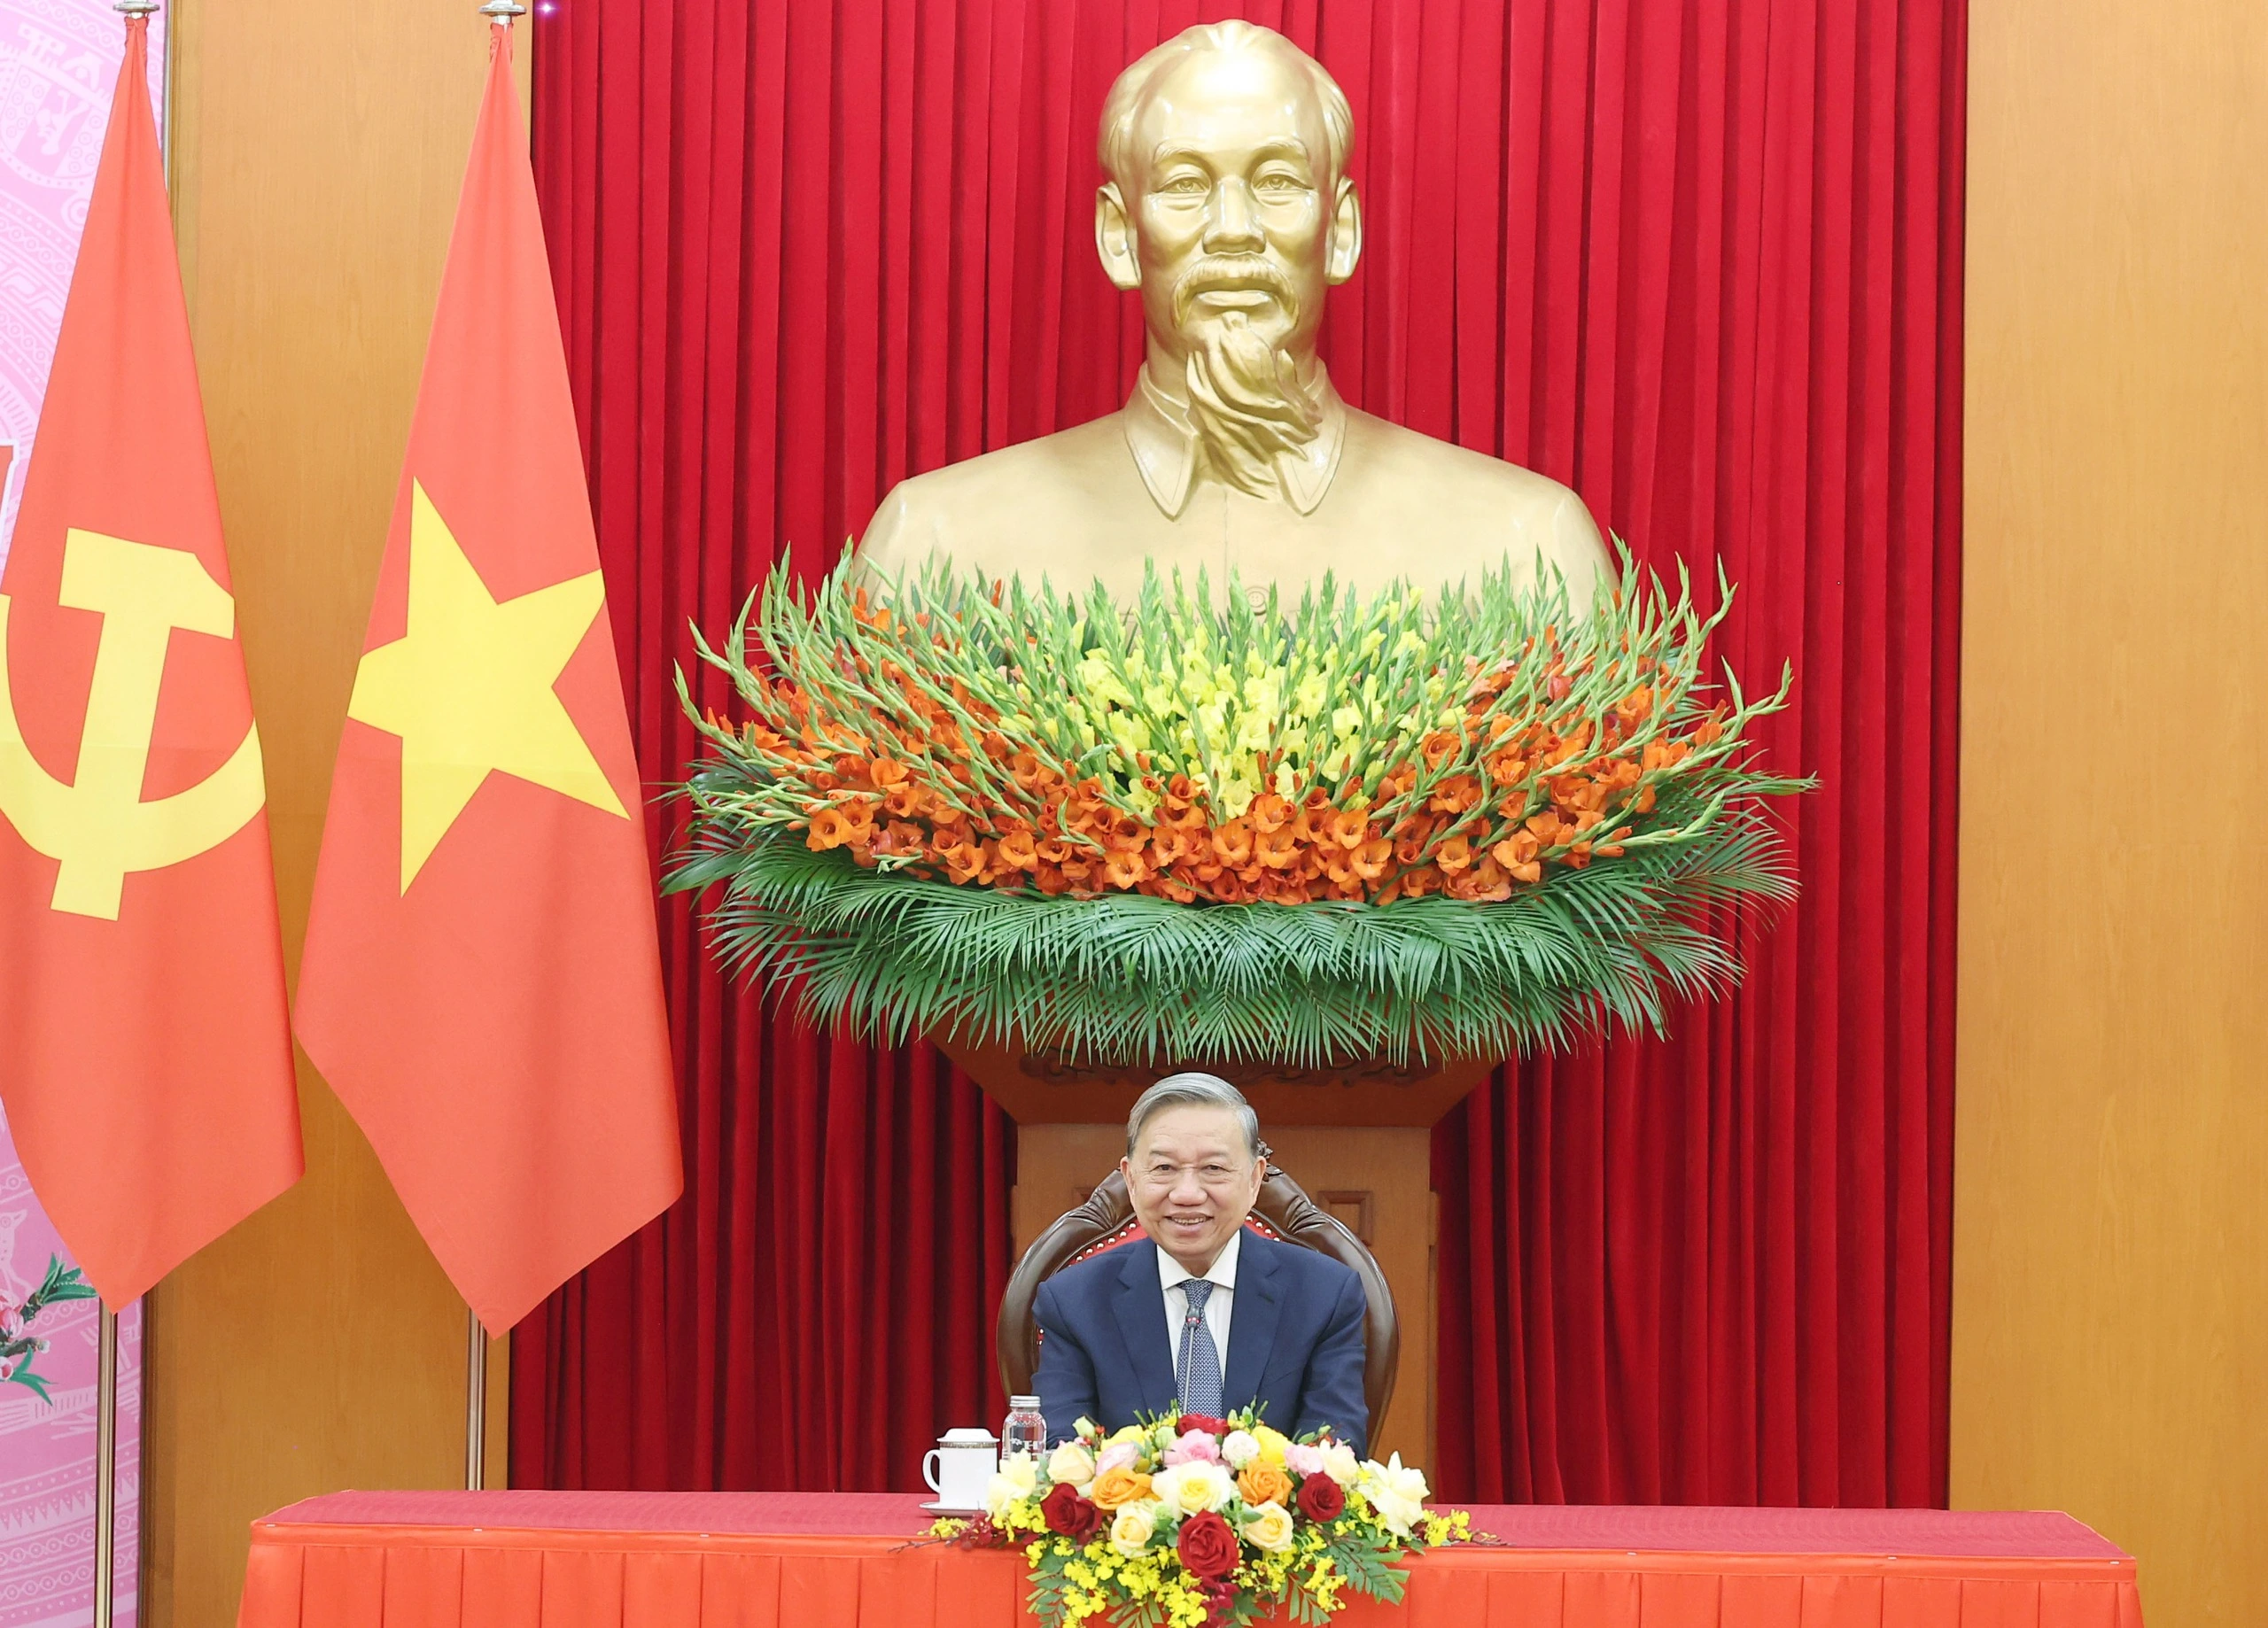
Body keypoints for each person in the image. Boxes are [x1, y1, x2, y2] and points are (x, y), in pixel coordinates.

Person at [858, 19, 1610, 609]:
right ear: (1119, 237)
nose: (1232, 227)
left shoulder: (1526, 552)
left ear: (1339, 231)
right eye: (1184, 184)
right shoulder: (936, 548)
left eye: (1277, 181)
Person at [1031, 1073, 1369, 1450]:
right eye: (1163, 1169)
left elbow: (1334, 1452)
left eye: (1214, 1169)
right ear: (1130, 1180)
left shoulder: (1324, 1296)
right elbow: (1061, 1455)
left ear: (1255, 1179)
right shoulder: (1074, 1302)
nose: (1187, 1194)